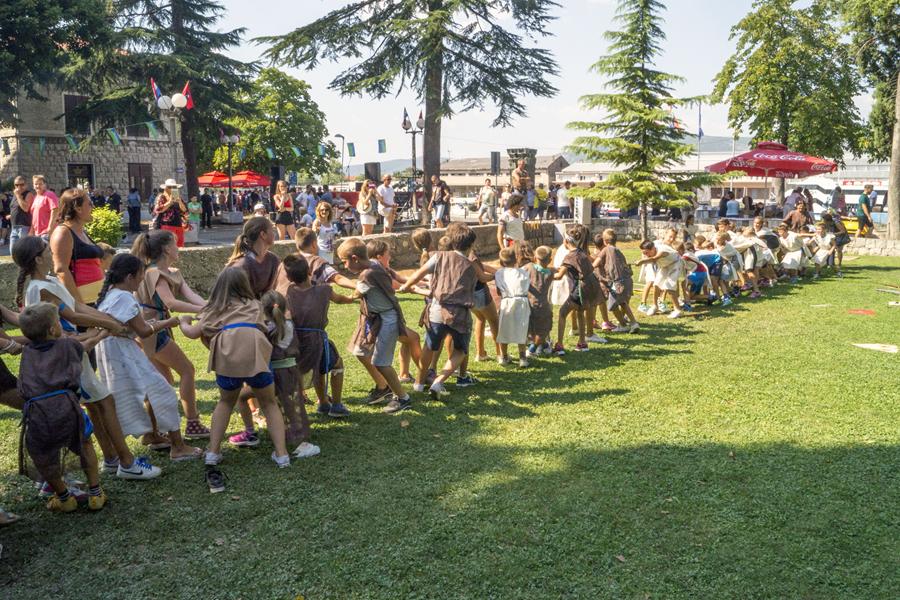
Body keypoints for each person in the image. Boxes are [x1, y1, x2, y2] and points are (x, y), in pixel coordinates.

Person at [13, 236, 160, 480]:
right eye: (46, 249)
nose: (51, 251)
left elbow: (78, 306)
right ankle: (127, 462)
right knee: (104, 401)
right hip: (65, 354)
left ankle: (111, 459)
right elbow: (74, 316)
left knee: (95, 403)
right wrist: (110, 324)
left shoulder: (49, 282)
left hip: (70, 350)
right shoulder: (40, 288)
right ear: (38, 259)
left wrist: (108, 320)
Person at [178, 268, 291, 490]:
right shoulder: (255, 305)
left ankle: (213, 452)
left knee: (226, 402)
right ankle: (282, 454)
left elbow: (192, 333)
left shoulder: (213, 309)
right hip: (256, 354)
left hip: (227, 357)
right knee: (269, 403)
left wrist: (183, 321)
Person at [95, 254, 201, 460]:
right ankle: (178, 447)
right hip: (123, 353)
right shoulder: (125, 297)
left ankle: (152, 435)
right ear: (129, 277)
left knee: (147, 392)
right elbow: (143, 331)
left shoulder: (110, 294)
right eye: (140, 275)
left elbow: (130, 327)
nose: (142, 279)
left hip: (114, 351)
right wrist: (169, 322)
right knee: (164, 391)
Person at [16, 302, 107, 512]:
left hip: (38, 413)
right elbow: (86, 345)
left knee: (44, 454)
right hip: (67, 407)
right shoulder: (67, 346)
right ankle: (95, 493)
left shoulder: (27, 352)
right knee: (84, 444)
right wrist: (102, 334)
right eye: (58, 322)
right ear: (52, 329)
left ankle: (64, 498)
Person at [132, 230, 209, 439]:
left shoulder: (170, 272)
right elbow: (171, 303)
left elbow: (192, 296)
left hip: (156, 328)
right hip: (152, 330)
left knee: (163, 381)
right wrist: (204, 310)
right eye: (175, 244)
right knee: (187, 370)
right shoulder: (154, 273)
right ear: (166, 249)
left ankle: (154, 432)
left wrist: (211, 307)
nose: (178, 247)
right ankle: (192, 423)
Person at [400, 223, 479, 399]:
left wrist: (406, 286)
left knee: (429, 346)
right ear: (470, 245)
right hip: (459, 313)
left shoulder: (439, 256)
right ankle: (439, 381)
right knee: (460, 350)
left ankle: (419, 383)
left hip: (437, 308)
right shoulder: (470, 266)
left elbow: (419, 273)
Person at [339, 238, 413, 414]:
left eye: (344, 261)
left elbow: (355, 295)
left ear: (355, 258)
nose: (344, 266)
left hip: (387, 319)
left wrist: (333, 296)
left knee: (381, 362)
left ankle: (403, 398)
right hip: (378, 318)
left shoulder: (367, 275)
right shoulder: (375, 264)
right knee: (362, 351)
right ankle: (385, 389)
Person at [282, 254, 354, 418]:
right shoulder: (324, 290)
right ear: (309, 271)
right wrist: (352, 297)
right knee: (336, 364)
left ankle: (323, 402)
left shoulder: (289, 292)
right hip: (317, 340)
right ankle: (336, 405)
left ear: (289, 278)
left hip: (296, 340)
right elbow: (340, 299)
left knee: (317, 369)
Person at [260, 290, 318, 458]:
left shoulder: (264, 328)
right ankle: (296, 435)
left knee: (276, 405)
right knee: (292, 405)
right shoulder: (289, 324)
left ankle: (291, 438)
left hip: (273, 371)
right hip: (291, 370)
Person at [49, 188, 106, 305]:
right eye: (89, 204)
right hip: (83, 302)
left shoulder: (81, 231)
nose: (93, 207)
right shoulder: (63, 233)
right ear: (78, 208)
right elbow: (61, 270)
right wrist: (79, 305)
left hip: (97, 300)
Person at [552, 224, 602, 354]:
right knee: (580, 312)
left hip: (579, 289)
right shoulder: (582, 252)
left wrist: (544, 275)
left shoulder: (569, 257)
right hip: (589, 288)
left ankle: (559, 345)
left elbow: (559, 276)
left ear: (566, 241)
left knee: (562, 313)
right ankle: (582, 343)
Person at [594, 229, 640, 333]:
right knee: (623, 302)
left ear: (605, 241)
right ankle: (634, 323)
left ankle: (623, 325)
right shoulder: (618, 251)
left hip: (616, 283)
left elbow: (596, 263)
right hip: (626, 280)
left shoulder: (606, 249)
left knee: (612, 306)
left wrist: (588, 269)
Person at [494, 247, 531, 367]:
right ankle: (523, 358)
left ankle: (504, 357)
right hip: (522, 302)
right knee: (522, 330)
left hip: (507, 302)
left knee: (503, 330)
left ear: (501, 262)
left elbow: (498, 291)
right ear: (515, 260)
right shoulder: (523, 272)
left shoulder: (499, 273)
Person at [635, 239, 683, 318]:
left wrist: (642, 261)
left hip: (675, 265)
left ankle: (677, 310)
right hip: (665, 266)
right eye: (644, 253)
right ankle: (655, 306)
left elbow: (654, 259)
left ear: (653, 248)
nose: (646, 255)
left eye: (647, 253)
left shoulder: (662, 250)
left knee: (669, 288)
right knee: (656, 285)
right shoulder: (652, 250)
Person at [524, 245, 555, 356]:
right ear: (550, 260)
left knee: (532, 328)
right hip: (543, 306)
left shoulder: (528, 267)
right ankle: (532, 349)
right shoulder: (550, 273)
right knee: (543, 330)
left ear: (535, 258)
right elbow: (558, 275)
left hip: (529, 304)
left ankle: (544, 345)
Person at [154, 179, 187, 247]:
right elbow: (159, 210)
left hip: (178, 224)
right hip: (166, 225)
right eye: (169, 187)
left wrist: (179, 201)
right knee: (166, 246)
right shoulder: (162, 197)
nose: (172, 189)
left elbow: (184, 210)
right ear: (166, 188)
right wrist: (170, 202)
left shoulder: (178, 197)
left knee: (178, 246)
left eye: (174, 187)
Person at [28, 175, 59, 241]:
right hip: (37, 233)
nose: (38, 186)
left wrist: (50, 228)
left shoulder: (49, 194)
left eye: (40, 184)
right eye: (36, 184)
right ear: (33, 186)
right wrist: (31, 230)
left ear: (45, 185)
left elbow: (55, 210)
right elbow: (34, 216)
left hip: (46, 232)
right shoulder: (35, 198)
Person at [10, 176, 34, 252]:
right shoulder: (15, 195)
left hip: (24, 227)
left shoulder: (28, 194)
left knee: (23, 252)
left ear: (26, 185)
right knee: (13, 251)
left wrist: (18, 196)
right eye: (16, 185)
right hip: (14, 227)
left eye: (21, 184)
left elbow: (26, 208)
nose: (19, 187)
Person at [822, 212, 848, 277]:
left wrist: (833, 234)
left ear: (828, 220)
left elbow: (843, 231)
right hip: (833, 237)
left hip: (841, 237)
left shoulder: (836, 223)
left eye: (824, 220)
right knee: (831, 249)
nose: (823, 221)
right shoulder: (826, 223)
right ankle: (830, 263)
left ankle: (839, 264)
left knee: (839, 250)